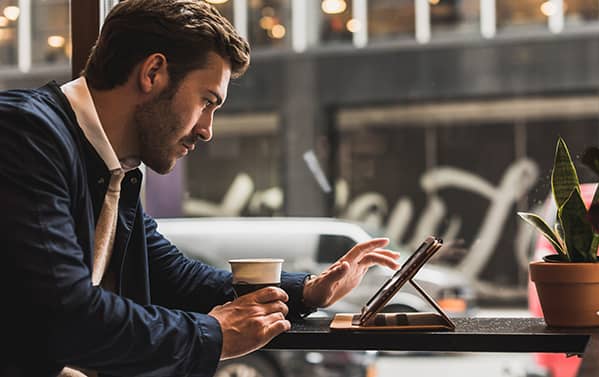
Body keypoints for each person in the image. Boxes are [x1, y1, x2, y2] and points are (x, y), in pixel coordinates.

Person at [0, 1, 400, 376]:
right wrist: (215, 334)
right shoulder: (25, 133)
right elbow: (64, 315)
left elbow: (176, 279)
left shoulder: (111, 169)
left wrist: (309, 292)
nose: (207, 130)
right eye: (207, 101)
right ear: (152, 73)